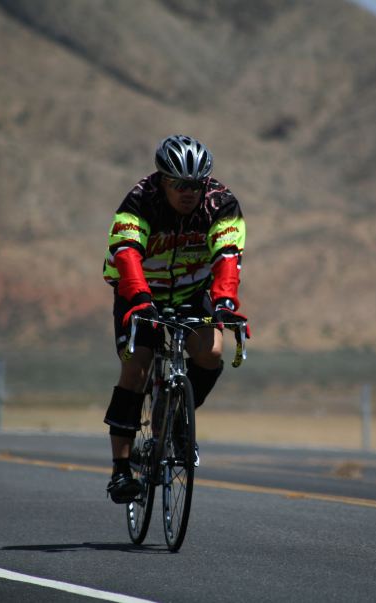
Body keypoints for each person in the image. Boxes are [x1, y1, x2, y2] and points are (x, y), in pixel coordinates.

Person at [101, 134, 248, 503]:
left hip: (190, 292)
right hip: (138, 290)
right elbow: (127, 254)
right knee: (136, 369)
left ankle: (178, 415)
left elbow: (227, 256)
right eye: (179, 185)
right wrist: (139, 299)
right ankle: (120, 471)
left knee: (212, 352)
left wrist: (225, 302)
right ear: (162, 180)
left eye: (196, 185)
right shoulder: (139, 201)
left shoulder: (221, 205)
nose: (189, 193)